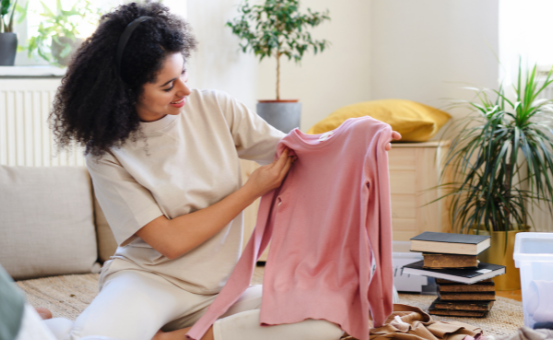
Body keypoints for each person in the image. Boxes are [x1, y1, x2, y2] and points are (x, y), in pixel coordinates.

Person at [46, 2, 400, 340]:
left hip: (222, 290)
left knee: (334, 313)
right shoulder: (106, 152)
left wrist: (361, 137)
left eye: (183, 73)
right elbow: (170, 242)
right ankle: (49, 325)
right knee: (90, 337)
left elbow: (297, 153)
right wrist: (250, 191)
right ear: (125, 93)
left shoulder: (214, 107)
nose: (184, 90)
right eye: (167, 86)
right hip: (147, 281)